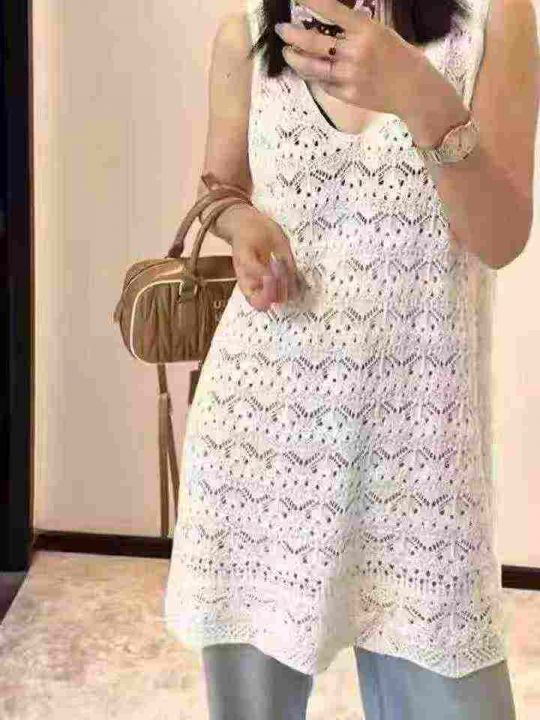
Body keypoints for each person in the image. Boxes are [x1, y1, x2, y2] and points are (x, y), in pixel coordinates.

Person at [164, 0, 538, 717]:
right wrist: (243, 225)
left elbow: (500, 237)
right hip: (260, 444)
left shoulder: (494, 21)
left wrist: (418, 92)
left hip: (420, 467)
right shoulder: (247, 34)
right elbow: (219, 187)